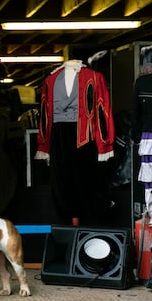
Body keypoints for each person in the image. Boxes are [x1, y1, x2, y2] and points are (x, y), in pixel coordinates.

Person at [35, 60, 115, 226]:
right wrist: (44, 143)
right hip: (64, 136)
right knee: (65, 183)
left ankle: (83, 225)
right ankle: (71, 224)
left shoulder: (93, 77)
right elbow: (44, 113)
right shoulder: (50, 80)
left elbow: (102, 110)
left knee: (83, 182)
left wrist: (104, 144)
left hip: (81, 136)